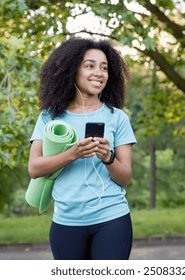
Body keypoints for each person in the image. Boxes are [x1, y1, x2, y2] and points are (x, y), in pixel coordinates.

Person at [27, 37, 136, 260]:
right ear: (72, 70)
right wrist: (72, 154)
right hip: (66, 222)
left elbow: (125, 178)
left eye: (104, 68)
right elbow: (34, 168)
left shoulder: (118, 118)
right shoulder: (49, 117)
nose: (99, 73)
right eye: (90, 66)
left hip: (112, 219)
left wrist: (107, 157)